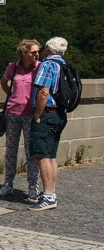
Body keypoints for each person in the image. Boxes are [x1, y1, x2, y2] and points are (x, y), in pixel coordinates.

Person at [28, 37, 71, 212]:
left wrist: (37, 114)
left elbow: (44, 92)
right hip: (60, 115)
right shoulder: (64, 65)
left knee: (41, 155)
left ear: (47, 49)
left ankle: (48, 195)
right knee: (51, 155)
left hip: (47, 114)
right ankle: (51, 192)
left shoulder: (47, 65)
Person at [0, 39, 41, 200]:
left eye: (38, 51)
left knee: (31, 152)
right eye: (33, 52)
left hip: (31, 114)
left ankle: (32, 187)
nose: (37, 54)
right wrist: (13, 96)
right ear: (23, 53)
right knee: (11, 151)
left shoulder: (40, 68)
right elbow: (3, 82)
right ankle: (8, 184)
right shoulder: (13, 67)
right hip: (12, 113)